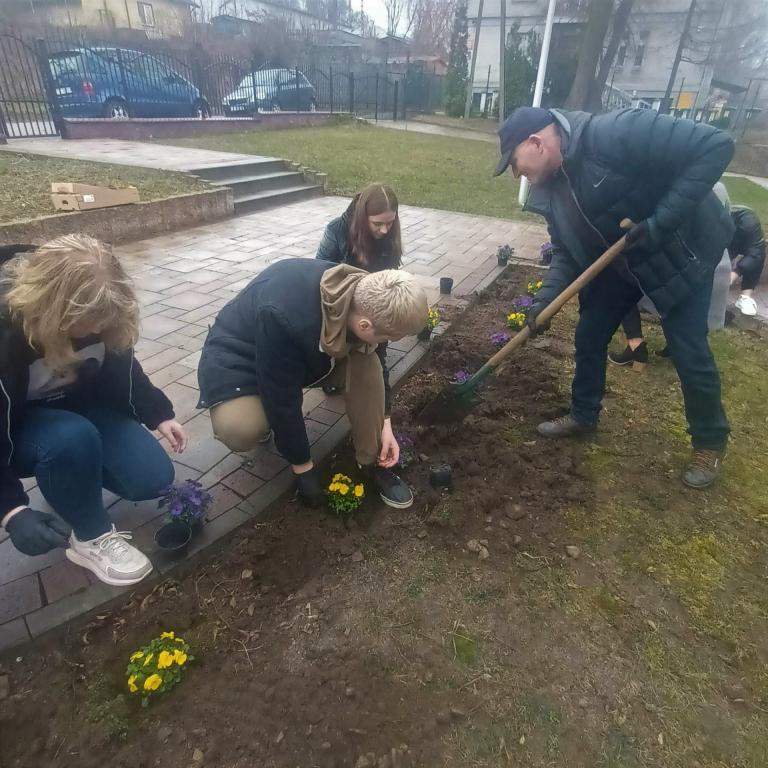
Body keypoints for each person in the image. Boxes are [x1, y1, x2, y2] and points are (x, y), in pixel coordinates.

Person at [494, 106, 734, 488]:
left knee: (688, 348)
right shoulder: (552, 189)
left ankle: (710, 440)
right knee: (590, 334)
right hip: (622, 262)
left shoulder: (614, 132)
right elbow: (566, 251)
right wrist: (544, 304)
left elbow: (716, 146)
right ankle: (583, 414)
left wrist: (659, 224)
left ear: (536, 142)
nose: (519, 176)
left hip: (680, 249)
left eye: (517, 166)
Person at [0, 236, 188, 585]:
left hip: (80, 409)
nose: (98, 330)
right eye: (89, 320)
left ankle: (67, 477)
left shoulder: (103, 317)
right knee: (69, 438)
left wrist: (158, 413)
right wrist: (11, 511)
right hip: (21, 429)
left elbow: (124, 370)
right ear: (53, 308)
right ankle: (90, 536)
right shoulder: (6, 332)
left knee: (152, 477)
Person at [197, 258, 428, 509]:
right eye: (391, 337)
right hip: (239, 359)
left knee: (368, 365)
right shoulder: (286, 317)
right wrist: (303, 467)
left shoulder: (369, 297)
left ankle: (369, 462)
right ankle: (257, 416)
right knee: (241, 428)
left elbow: (377, 360)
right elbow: (282, 396)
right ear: (365, 325)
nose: (391, 342)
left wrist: (384, 423)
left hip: (292, 354)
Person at [609, 181, 734, 366]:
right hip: (713, 261)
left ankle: (636, 345)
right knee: (687, 307)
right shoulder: (717, 187)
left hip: (684, 263)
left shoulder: (687, 185)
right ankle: (678, 346)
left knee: (621, 285)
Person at [316, 183, 403, 396]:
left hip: (372, 299)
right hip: (340, 299)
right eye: (377, 224)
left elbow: (388, 280)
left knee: (376, 349)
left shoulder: (389, 237)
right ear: (363, 217)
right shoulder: (337, 230)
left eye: (390, 223)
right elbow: (320, 274)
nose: (384, 230)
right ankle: (334, 368)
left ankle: (373, 370)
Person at [728, 204, 765, 317]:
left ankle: (745, 297)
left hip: (740, 229)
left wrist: (735, 273)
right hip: (720, 239)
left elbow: (756, 254)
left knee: (758, 256)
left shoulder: (749, 223)